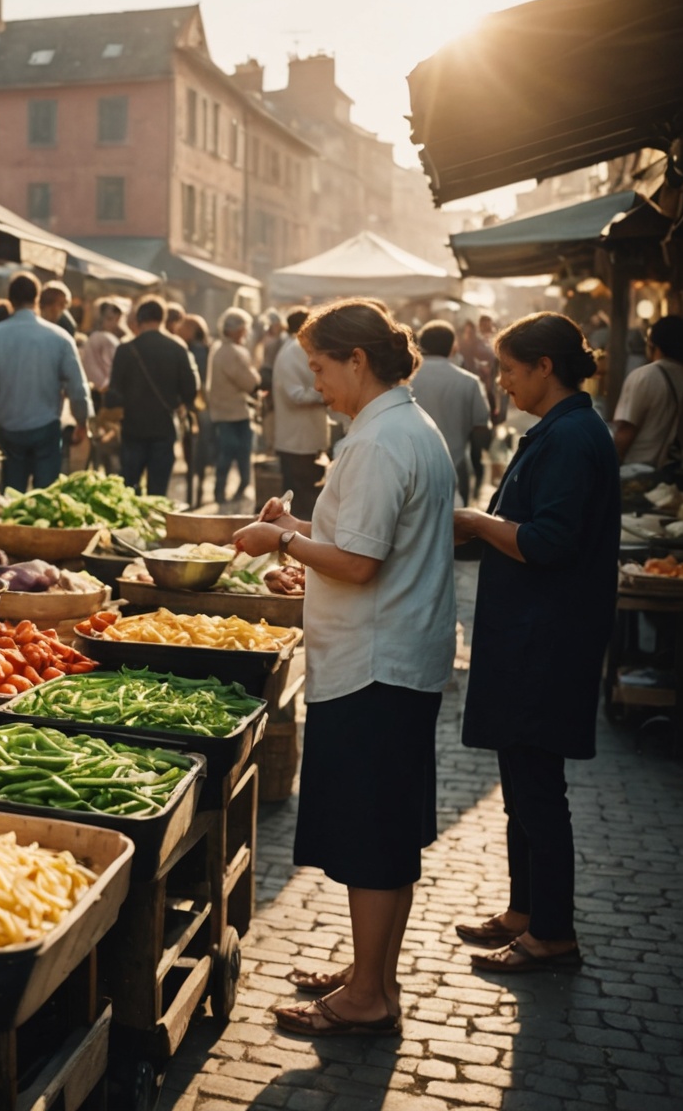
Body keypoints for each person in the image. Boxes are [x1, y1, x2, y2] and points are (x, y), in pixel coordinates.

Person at [233, 299, 457, 1038]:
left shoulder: (377, 440)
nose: (315, 382)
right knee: (388, 833)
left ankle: (367, 997)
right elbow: (359, 538)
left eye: (321, 367)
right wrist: (299, 528)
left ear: (357, 361)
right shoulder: (401, 425)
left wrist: (280, 543)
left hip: (374, 665)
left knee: (373, 836)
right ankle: (372, 977)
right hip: (396, 656)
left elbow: (358, 563)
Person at [450, 313, 620, 975]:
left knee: (538, 787)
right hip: (530, 633)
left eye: (511, 370)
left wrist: (478, 523)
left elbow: (548, 541)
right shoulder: (560, 430)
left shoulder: (574, 438)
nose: (503, 382)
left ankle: (552, 932)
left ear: (545, 367)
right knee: (520, 781)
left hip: (547, 639)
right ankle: (525, 910)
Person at [0, 271, 91, 492]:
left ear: (10, 300)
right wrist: (82, 421)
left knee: (11, 497)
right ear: (37, 299)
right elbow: (77, 387)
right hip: (46, 427)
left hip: (9, 427)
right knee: (45, 498)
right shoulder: (59, 337)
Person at [105, 298, 198, 497]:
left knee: (129, 490)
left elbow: (113, 395)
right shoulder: (177, 348)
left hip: (132, 429)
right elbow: (190, 390)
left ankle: (131, 527)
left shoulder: (125, 350)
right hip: (164, 429)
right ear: (162, 319)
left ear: (139, 320)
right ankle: (155, 525)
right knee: (157, 493)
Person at [408, 320, 493, 503]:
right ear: (453, 348)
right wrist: (478, 465)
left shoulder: (405, 380)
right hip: (455, 472)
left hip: (410, 473)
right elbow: (481, 429)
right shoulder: (469, 382)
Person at [611, 315, 683, 468]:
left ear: (654, 345)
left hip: (639, 472)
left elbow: (625, 431)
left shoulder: (644, 376)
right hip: (678, 473)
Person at [273, 307, 331, 519]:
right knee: (303, 501)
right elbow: (296, 394)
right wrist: (326, 394)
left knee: (302, 497)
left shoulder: (295, 348)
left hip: (302, 440)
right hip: (299, 440)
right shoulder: (295, 350)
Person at [206, 308, 261, 503]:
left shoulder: (219, 348)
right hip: (234, 412)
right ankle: (236, 489)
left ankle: (223, 491)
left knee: (228, 452)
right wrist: (256, 382)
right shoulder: (232, 352)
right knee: (238, 453)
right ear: (235, 330)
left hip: (224, 412)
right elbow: (249, 381)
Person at [456, 312, 504, 493]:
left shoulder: (480, 346)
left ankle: (477, 485)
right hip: (464, 400)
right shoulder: (459, 348)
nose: (468, 334)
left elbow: (491, 361)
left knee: (478, 450)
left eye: (471, 331)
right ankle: (471, 484)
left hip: (483, 398)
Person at [178, 313, 213, 506]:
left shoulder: (195, 351)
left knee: (196, 450)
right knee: (199, 450)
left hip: (198, 407)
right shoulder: (205, 349)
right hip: (202, 407)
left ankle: (196, 492)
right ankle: (197, 490)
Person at [82, 299, 125, 404]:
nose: (114, 324)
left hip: (98, 390)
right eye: (109, 319)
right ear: (100, 318)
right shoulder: (102, 338)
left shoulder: (95, 337)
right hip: (103, 392)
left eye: (117, 320)